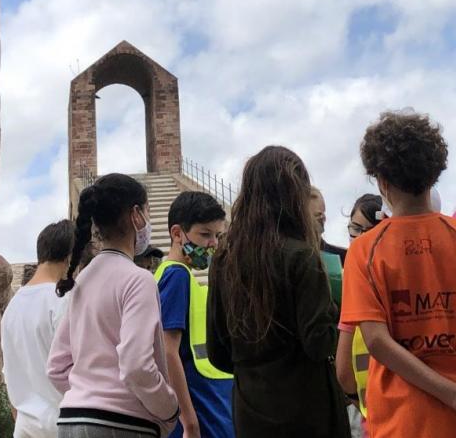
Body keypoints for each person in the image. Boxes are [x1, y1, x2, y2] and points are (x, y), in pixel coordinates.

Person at [340, 110, 456, 438]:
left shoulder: (364, 251)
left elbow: (377, 342)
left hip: (400, 421)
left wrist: (454, 395)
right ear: (434, 174)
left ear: (382, 181)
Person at [206, 146, 350, 438]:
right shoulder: (302, 256)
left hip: (251, 414)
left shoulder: (223, 259)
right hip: (310, 412)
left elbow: (218, 352)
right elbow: (318, 343)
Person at [48, 173, 179, 437]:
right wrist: (169, 408)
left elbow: (56, 366)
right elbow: (136, 365)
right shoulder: (138, 280)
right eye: (147, 211)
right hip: (124, 422)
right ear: (136, 215)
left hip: (72, 418)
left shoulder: (84, 278)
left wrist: (87, 394)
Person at [156, 192, 233, 438]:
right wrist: (190, 422)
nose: (213, 244)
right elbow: (168, 350)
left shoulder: (177, 276)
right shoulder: (176, 276)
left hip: (209, 407)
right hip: (202, 414)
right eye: (205, 234)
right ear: (177, 233)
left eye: (217, 236)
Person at [1, 220, 75, 438]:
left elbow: (9, 373)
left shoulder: (12, 308)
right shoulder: (62, 300)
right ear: (69, 257)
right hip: (62, 423)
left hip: (25, 426)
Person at [336, 193, 385, 438]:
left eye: (362, 229)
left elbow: (344, 371)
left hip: (369, 412)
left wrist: (357, 401)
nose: (356, 237)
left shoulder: (355, 281)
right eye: (353, 228)